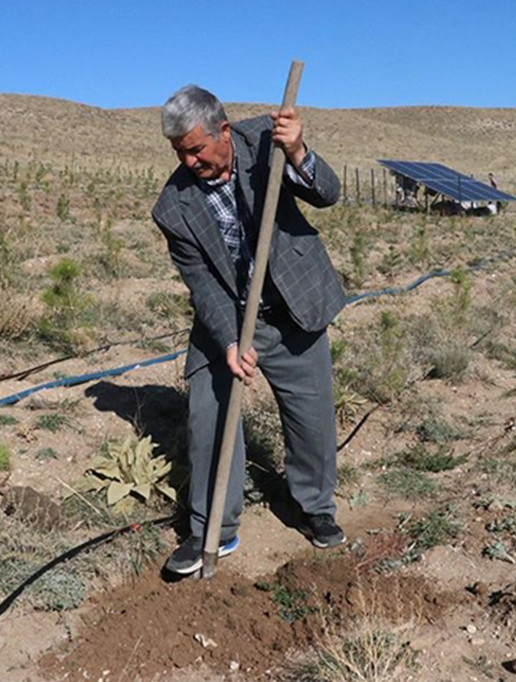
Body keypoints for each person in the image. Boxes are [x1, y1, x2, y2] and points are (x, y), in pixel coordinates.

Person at [151, 84, 347, 575]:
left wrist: (298, 152)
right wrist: (230, 340)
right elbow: (201, 282)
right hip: (230, 314)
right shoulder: (172, 206)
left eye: (196, 149)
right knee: (209, 411)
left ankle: (314, 507)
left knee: (312, 417)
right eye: (180, 153)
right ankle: (213, 529)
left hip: (292, 304)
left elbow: (328, 194)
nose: (190, 162)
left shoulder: (267, 140)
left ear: (223, 130)